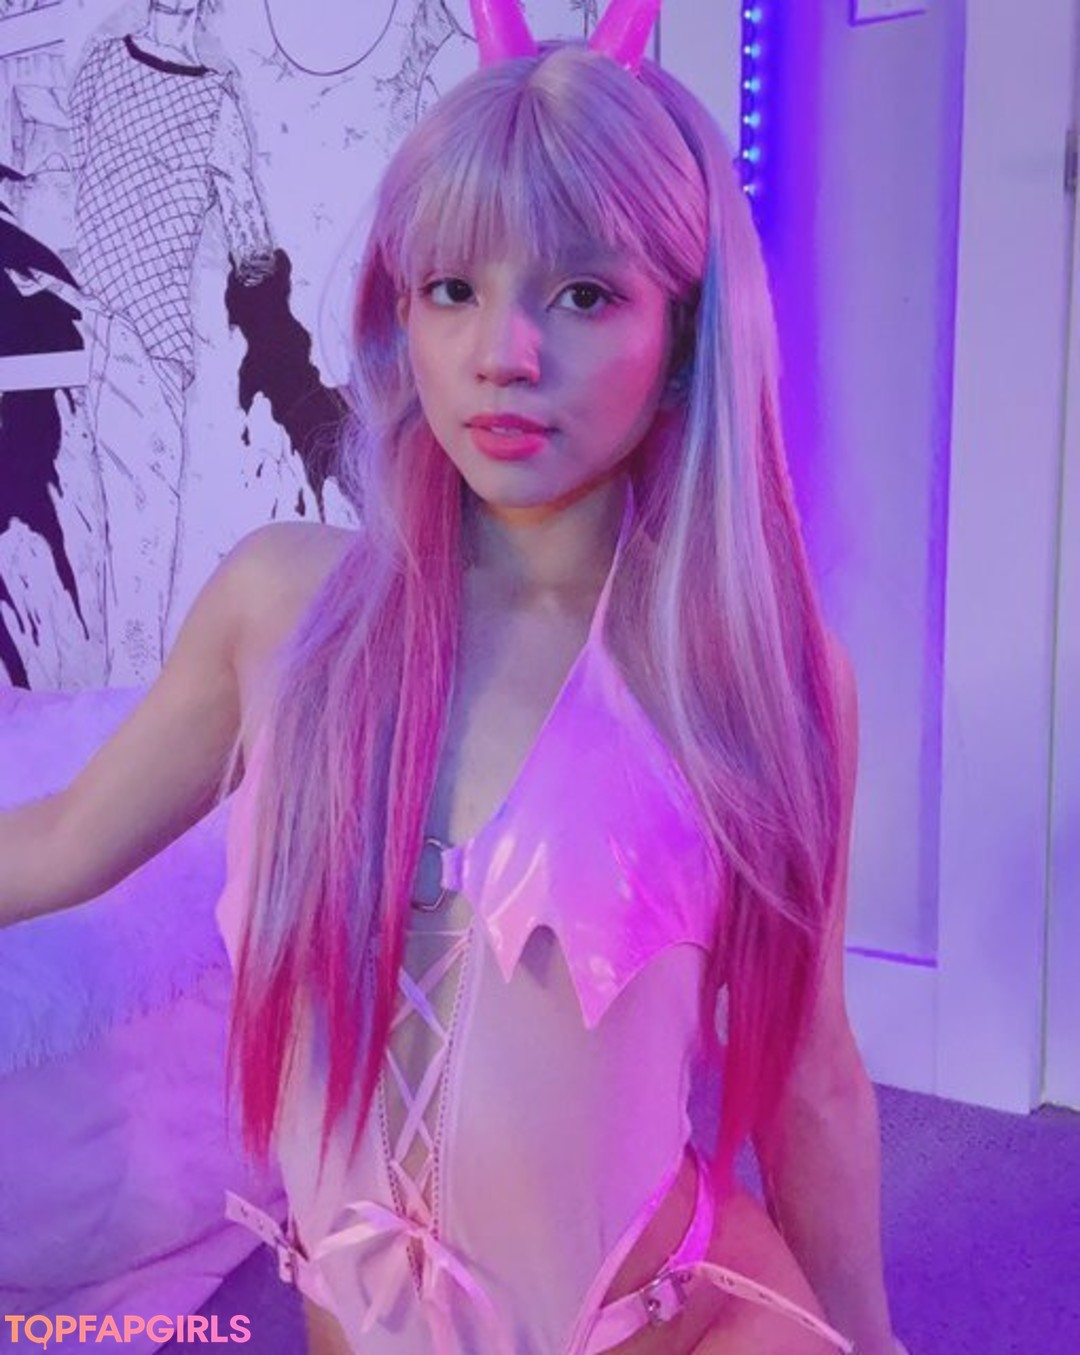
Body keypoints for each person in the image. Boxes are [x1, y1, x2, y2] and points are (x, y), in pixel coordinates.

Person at [0, 2, 906, 1351]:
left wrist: (878, 1340)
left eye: (585, 294)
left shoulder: (755, 670)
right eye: (452, 289)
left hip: (674, 1323)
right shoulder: (283, 607)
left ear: (682, 340)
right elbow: (62, 838)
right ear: (401, 316)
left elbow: (812, 1077)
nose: (504, 355)